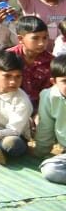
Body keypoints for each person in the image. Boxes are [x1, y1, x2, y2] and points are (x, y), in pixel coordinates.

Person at [35, 54, 66, 183]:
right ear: (54, 82)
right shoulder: (48, 96)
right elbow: (45, 128)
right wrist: (40, 151)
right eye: (65, 81)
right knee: (50, 170)